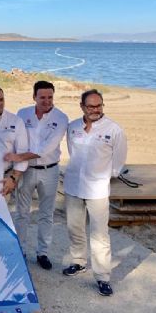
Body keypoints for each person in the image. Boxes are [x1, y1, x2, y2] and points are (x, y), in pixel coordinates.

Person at [62, 89, 127, 297]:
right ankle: (78, 262)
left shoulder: (114, 129)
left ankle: (102, 277)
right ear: (82, 106)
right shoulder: (73, 127)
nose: (95, 110)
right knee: (74, 228)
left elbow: (118, 162)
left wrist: (105, 176)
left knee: (100, 235)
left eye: (99, 105)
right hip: (73, 186)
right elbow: (72, 152)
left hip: (97, 190)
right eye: (91, 106)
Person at [4, 81, 68, 270]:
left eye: (50, 97)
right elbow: (16, 139)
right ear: (34, 97)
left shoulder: (61, 117)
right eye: (42, 97)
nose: (47, 101)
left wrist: (19, 157)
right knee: (22, 212)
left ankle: (42, 253)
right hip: (26, 170)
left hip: (50, 170)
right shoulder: (23, 114)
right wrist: (15, 164)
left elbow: (47, 147)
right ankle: (21, 250)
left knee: (46, 214)